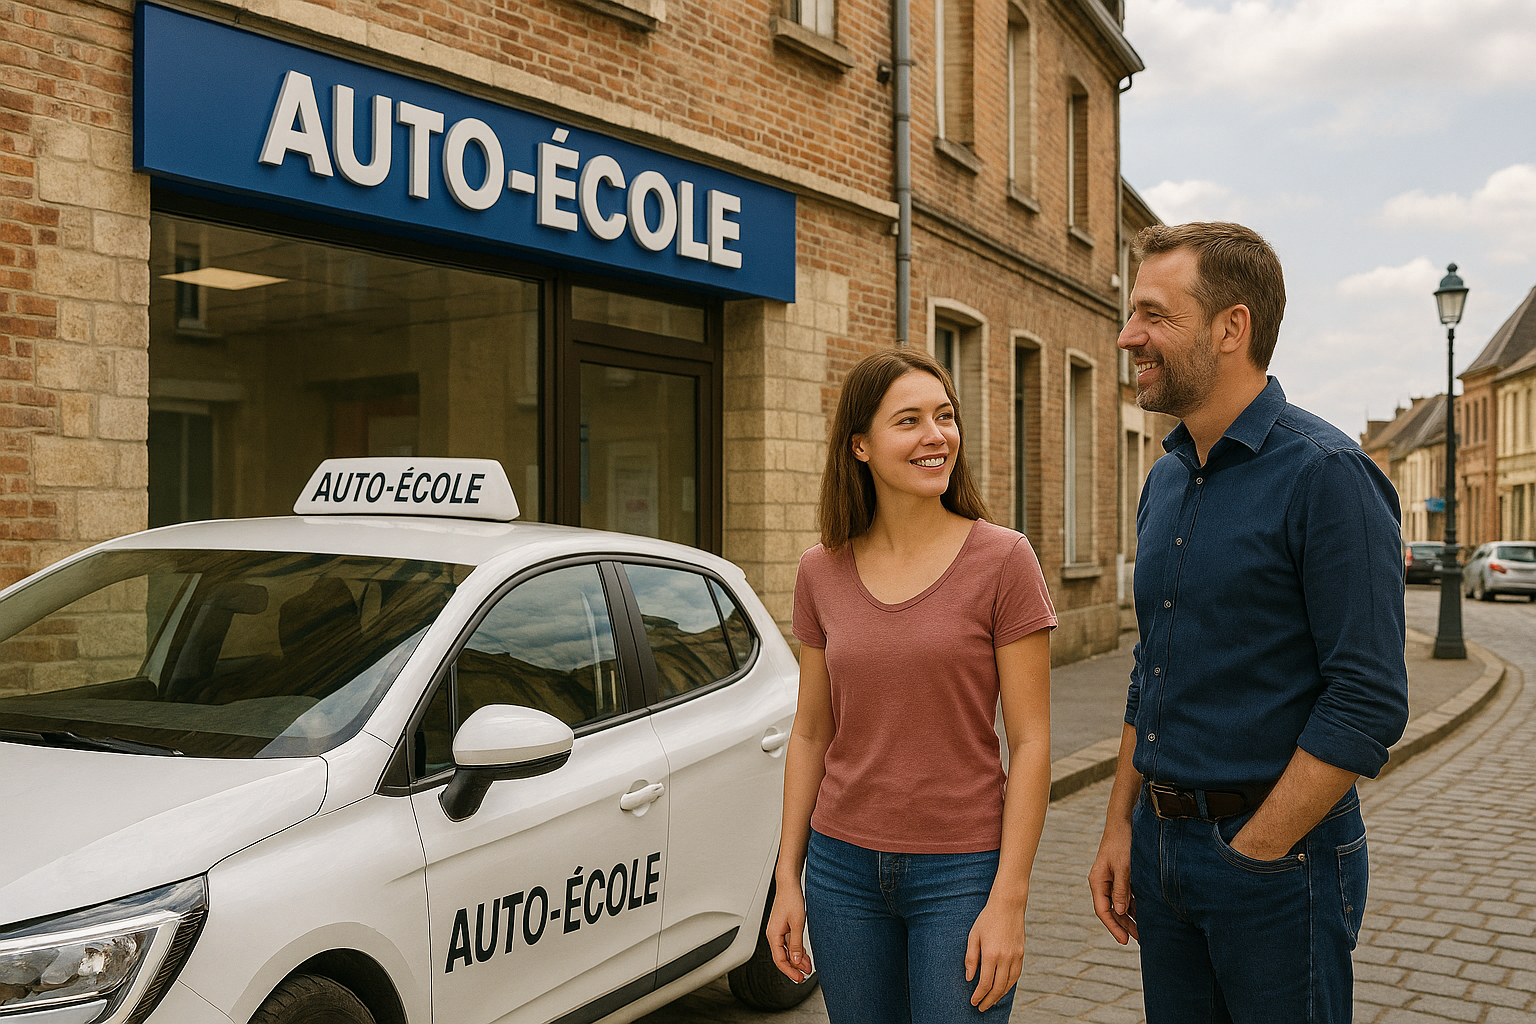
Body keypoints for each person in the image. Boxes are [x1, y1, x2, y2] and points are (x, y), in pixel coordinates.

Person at [1088, 223, 1410, 1023]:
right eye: (1133, 313)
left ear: (1232, 328)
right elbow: (1150, 670)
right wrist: (1119, 825)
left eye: (1155, 316)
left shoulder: (1328, 476)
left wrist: (1256, 852)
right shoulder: (1164, 479)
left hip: (1279, 861)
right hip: (1161, 854)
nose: (1130, 336)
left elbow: (1367, 699)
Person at [765, 348, 1057, 1024]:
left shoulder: (1005, 560)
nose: (936, 436)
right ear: (861, 445)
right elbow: (810, 731)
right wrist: (787, 876)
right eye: (910, 421)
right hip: (841, 872)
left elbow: (1033, 741)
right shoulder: (821, 570)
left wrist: (1008, 900)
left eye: (945, 416)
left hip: (960, 874)